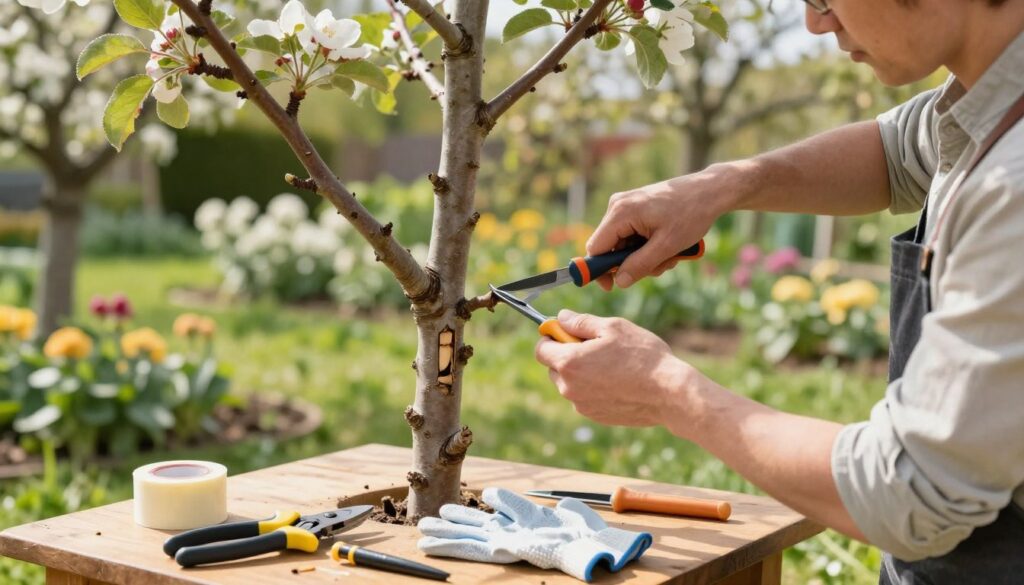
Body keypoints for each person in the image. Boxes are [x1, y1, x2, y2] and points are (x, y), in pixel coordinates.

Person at [534, 0, 1024, 581]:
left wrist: (668, 391)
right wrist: (721, 186)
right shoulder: (988, 97)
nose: (815, 22)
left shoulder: (1013, 187)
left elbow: (912, 490)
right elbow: (899, 151)